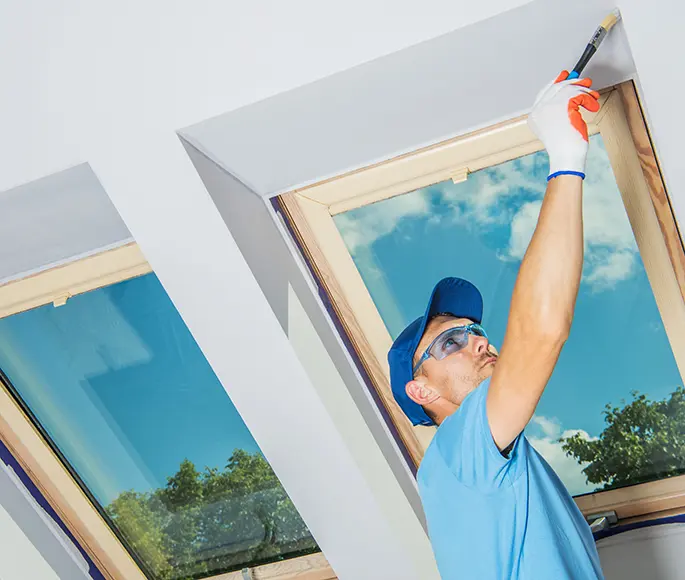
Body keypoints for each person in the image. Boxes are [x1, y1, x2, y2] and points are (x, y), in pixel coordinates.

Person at [388, 71, 605, 579]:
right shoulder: (458, 452)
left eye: (477, 331)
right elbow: (541, 329)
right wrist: (566, 157)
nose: (479, 341)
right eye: (451, 341)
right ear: (419, 390)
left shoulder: (490, 463)